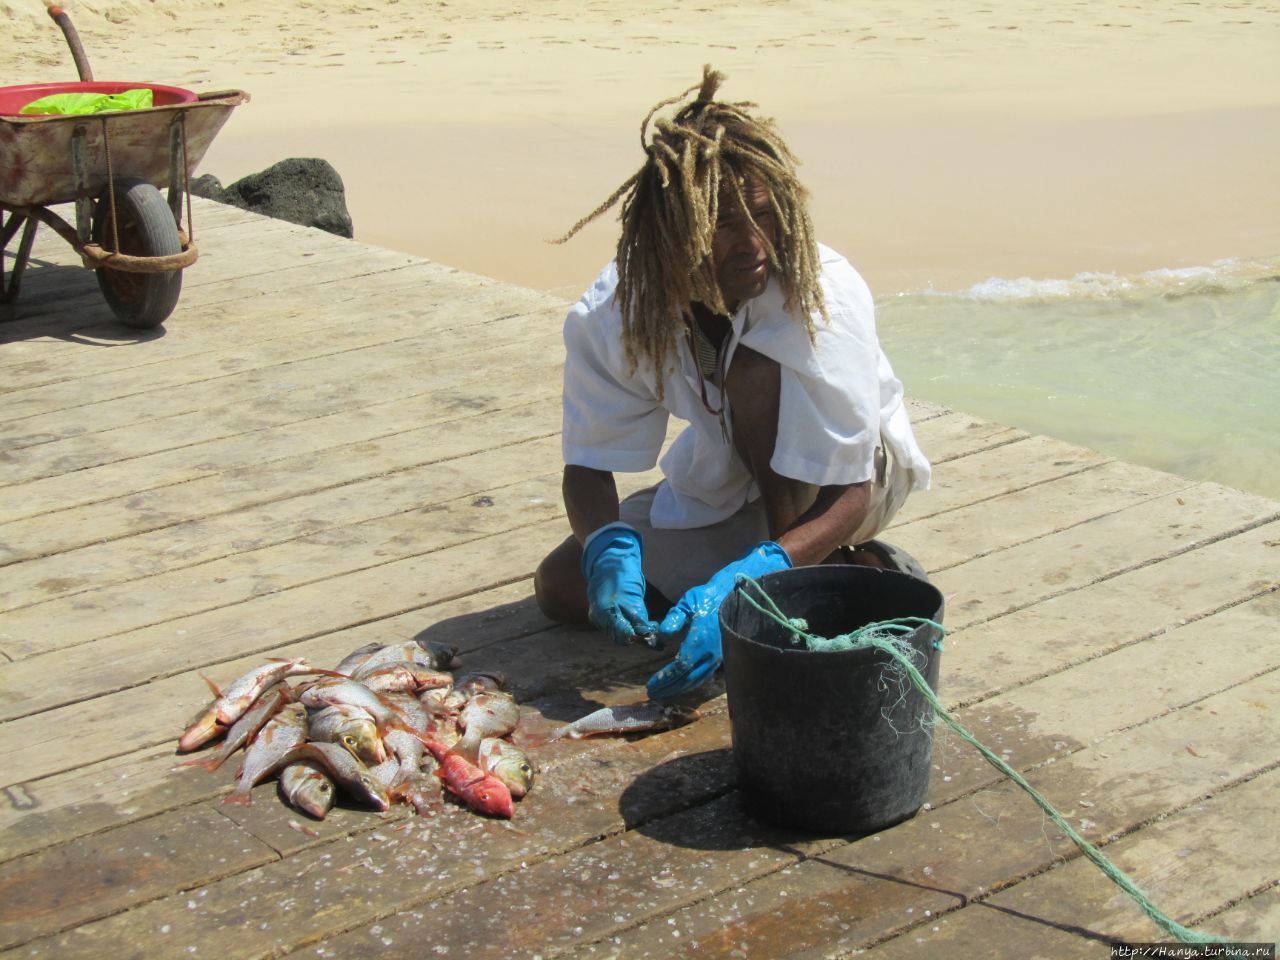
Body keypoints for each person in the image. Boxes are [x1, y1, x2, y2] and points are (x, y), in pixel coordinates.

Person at [534, 66, 932, 701]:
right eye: (721, 224)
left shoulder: (823, 293)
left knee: (753, 372)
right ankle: (780, 584)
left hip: (851, 480)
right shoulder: (613, 313)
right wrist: (605, 548)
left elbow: (851, 488)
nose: (753, 245)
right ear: (671, 231)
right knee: (561, 585)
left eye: (766, 216)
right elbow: (588, 464)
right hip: (729, 475)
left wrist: (757, 579)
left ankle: (809, 575)